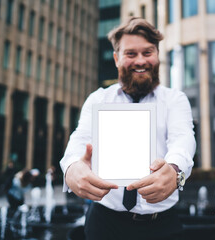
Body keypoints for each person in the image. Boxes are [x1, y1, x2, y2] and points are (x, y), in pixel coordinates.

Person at [60, 17, 196, 240]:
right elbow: (80, 138)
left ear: (157, 55)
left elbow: (183, 139)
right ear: (116, 58)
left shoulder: (175, 100)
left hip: (162, 224)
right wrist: (72, 168)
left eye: (148, 52)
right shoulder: (98, 99)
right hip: (104, 222)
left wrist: (174, 170)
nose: (140, 61)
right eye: (131, 54)